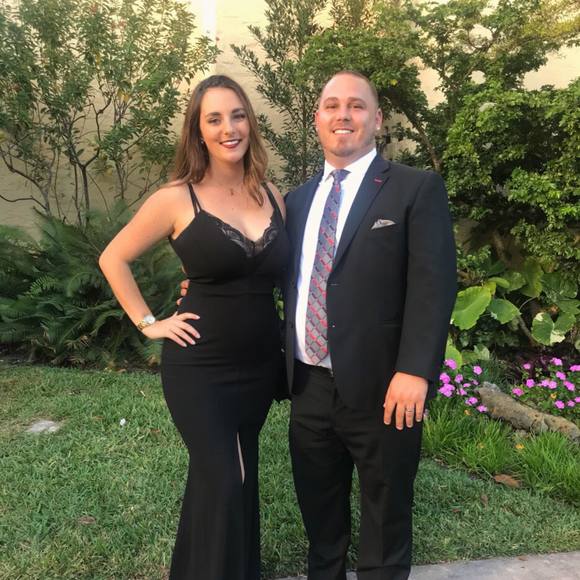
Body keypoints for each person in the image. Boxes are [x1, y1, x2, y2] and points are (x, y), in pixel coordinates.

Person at [99, 74, 289, 580]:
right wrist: (149, 323)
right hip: (201, 366)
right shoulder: (176, 198)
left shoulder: (272, 194)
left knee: (234, 479)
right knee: (225, 477)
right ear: (198, 131)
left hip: (258, 366)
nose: (229, 128)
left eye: (238, 115)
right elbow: (113, 258)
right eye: (215, 119)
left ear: (250, 123)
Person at [283, 71, 457, 580]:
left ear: (377, 119)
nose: (343, 115)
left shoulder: (414, 188)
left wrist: (415, 371)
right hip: (309, 384)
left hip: (387, 387)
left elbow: (433, 285)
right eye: (332, 105)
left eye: (356, 106)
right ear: (316, 118)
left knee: (386, 515)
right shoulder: (296, 201)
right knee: (320, 517)